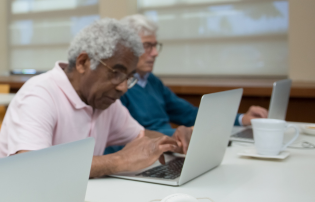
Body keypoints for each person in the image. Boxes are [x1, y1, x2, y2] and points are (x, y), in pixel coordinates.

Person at [0, 18, 191, 178]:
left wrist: (174, 140)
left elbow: (140, 136)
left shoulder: (103, 101)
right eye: (116, 73)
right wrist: (119, 160)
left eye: (129, 78)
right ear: (83, 62)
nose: (123, 87)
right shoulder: (39, 94)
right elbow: (32, 167)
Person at [104, 14, 268, 155]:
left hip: (172, 148)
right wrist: (185, 133)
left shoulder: (152, 81)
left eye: (155, 46)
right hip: (152, 152)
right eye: (147, 46)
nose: (155, 53)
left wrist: (241, 119)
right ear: (127, 49)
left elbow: (190, 114)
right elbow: (128, 138)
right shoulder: (117, 89)